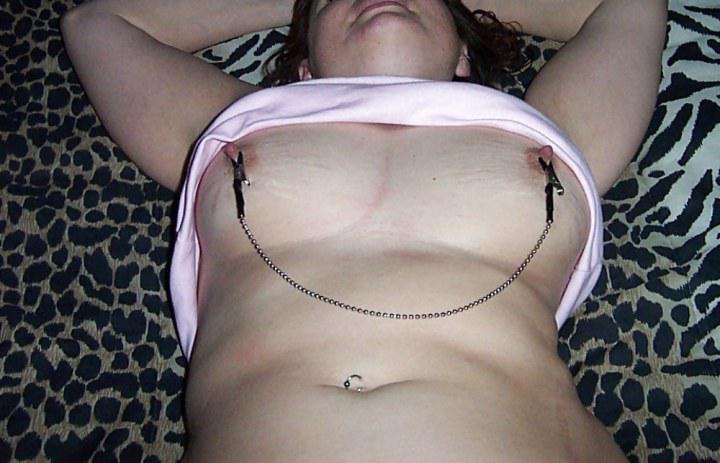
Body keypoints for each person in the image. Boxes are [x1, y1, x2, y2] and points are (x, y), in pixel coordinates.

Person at [60, 0, 667, 461]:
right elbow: (98, 23)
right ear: (304, 66)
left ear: (463, 51)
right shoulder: (234, 127)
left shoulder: (542, 130)